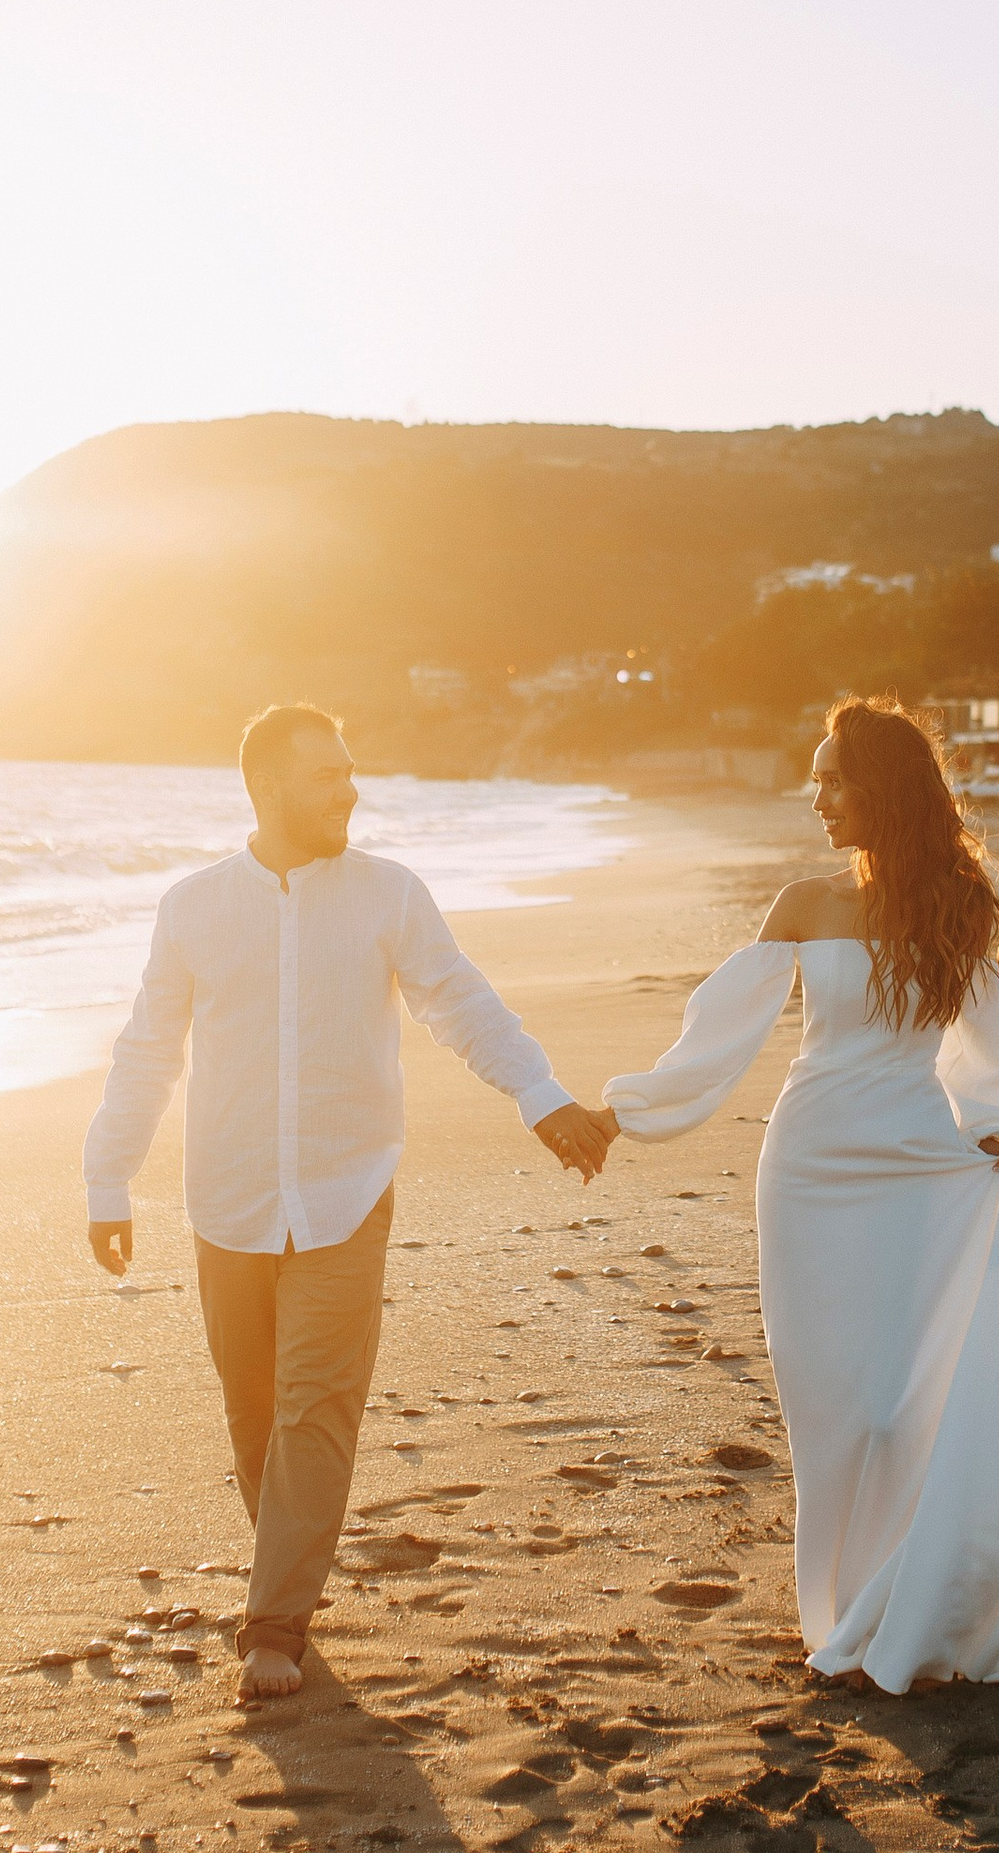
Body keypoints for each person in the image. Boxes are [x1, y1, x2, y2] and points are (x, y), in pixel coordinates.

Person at [592, 695, 999, 1692]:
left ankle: (912, 1609)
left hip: (919, 1167)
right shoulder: (801, 903)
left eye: (832, 777)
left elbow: (996, 1031)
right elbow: (716, 1036)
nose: (814, 795)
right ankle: (847, 1607)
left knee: (908, 1406)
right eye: (815, 775)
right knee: (838, 1410)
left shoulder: (957, 906)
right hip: (813, 1170)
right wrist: (623, 1111)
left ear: (885, 789)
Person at [84, 704, 614, 1700]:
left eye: (349, 769)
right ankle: (286, 1563)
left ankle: (273, 1623)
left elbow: (458, 1000)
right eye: (327, 774)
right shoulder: (192, 906)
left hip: (345, 1189)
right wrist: (107, 1175)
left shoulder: (387, 895)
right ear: (267, 786)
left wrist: (538, 1097)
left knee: (315, 1406)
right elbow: (148, 1050)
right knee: (253, 1416)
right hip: (227, 1197)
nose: (350, 788)